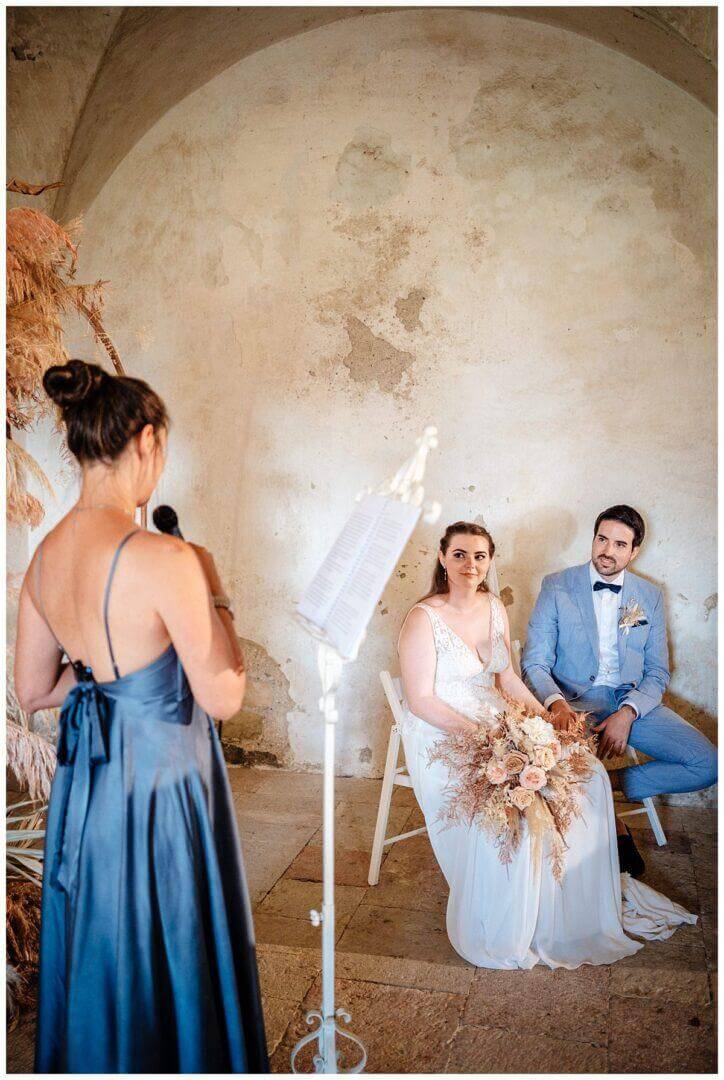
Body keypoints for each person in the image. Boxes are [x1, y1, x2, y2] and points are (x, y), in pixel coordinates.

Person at [15, 360, 268, 1073]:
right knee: (170, 937)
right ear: (147, 441)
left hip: (89, 789)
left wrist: (108, 674)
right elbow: (223, 697)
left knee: (104, 937)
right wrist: (216, 594)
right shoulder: (165, 556)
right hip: (161, 783)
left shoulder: (45, 557)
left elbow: (34, 689)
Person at [397, 521, 695, 970]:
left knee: (587, 775)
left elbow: (507, 678)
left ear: (489, 562)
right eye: (459, 554)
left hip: (500, 720)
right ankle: (517, 915)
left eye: (479, 556)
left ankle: (570, 903)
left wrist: (546, 720)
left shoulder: (493, 607)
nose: (469, 564)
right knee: (512, 802)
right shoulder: (423, 618)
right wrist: (484, 736)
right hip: (444, 732)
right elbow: (421, 700)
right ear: (442, 557)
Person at [522, 505, 717, 876]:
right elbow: (535, 663)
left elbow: (657, 671)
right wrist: (557, 705)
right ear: (594, 539)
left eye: (619, 544)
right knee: (545, 769)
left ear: (634, 551)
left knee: (708, 764)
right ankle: (612, 824)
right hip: (572, 704)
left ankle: (602, 787)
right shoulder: (557, 586)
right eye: (602, 539)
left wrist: (627, 713)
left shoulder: (649, 595)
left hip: (629, 701)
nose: (607, 551)